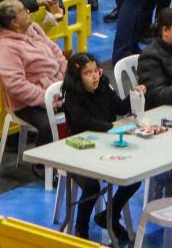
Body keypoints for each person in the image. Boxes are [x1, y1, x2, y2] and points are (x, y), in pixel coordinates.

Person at [61, 53, 143, 241]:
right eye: (88, 73)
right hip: (79, 153)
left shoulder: (104, 87)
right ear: (77, 78)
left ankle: (110, 216)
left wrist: (134, 94)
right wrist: (112, 127)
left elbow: (121, 108)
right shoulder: (72, 98)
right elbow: (85, 122)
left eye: (96, 70)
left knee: (133, 177)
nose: (95, 76)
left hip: (107, 148)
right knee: (91, 186)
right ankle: (81, 230)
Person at [0, 0, 67, 150]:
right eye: (24, 12)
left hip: (56, 89)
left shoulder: (33, 28)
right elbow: (16, 85)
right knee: (49, 125)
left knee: (85, 106)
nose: (28, 12)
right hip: (27, 103)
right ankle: (42, 166)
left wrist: (65, 78)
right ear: (14, 22)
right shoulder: (5, 47)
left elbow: (56, 51)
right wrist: (47, 99)